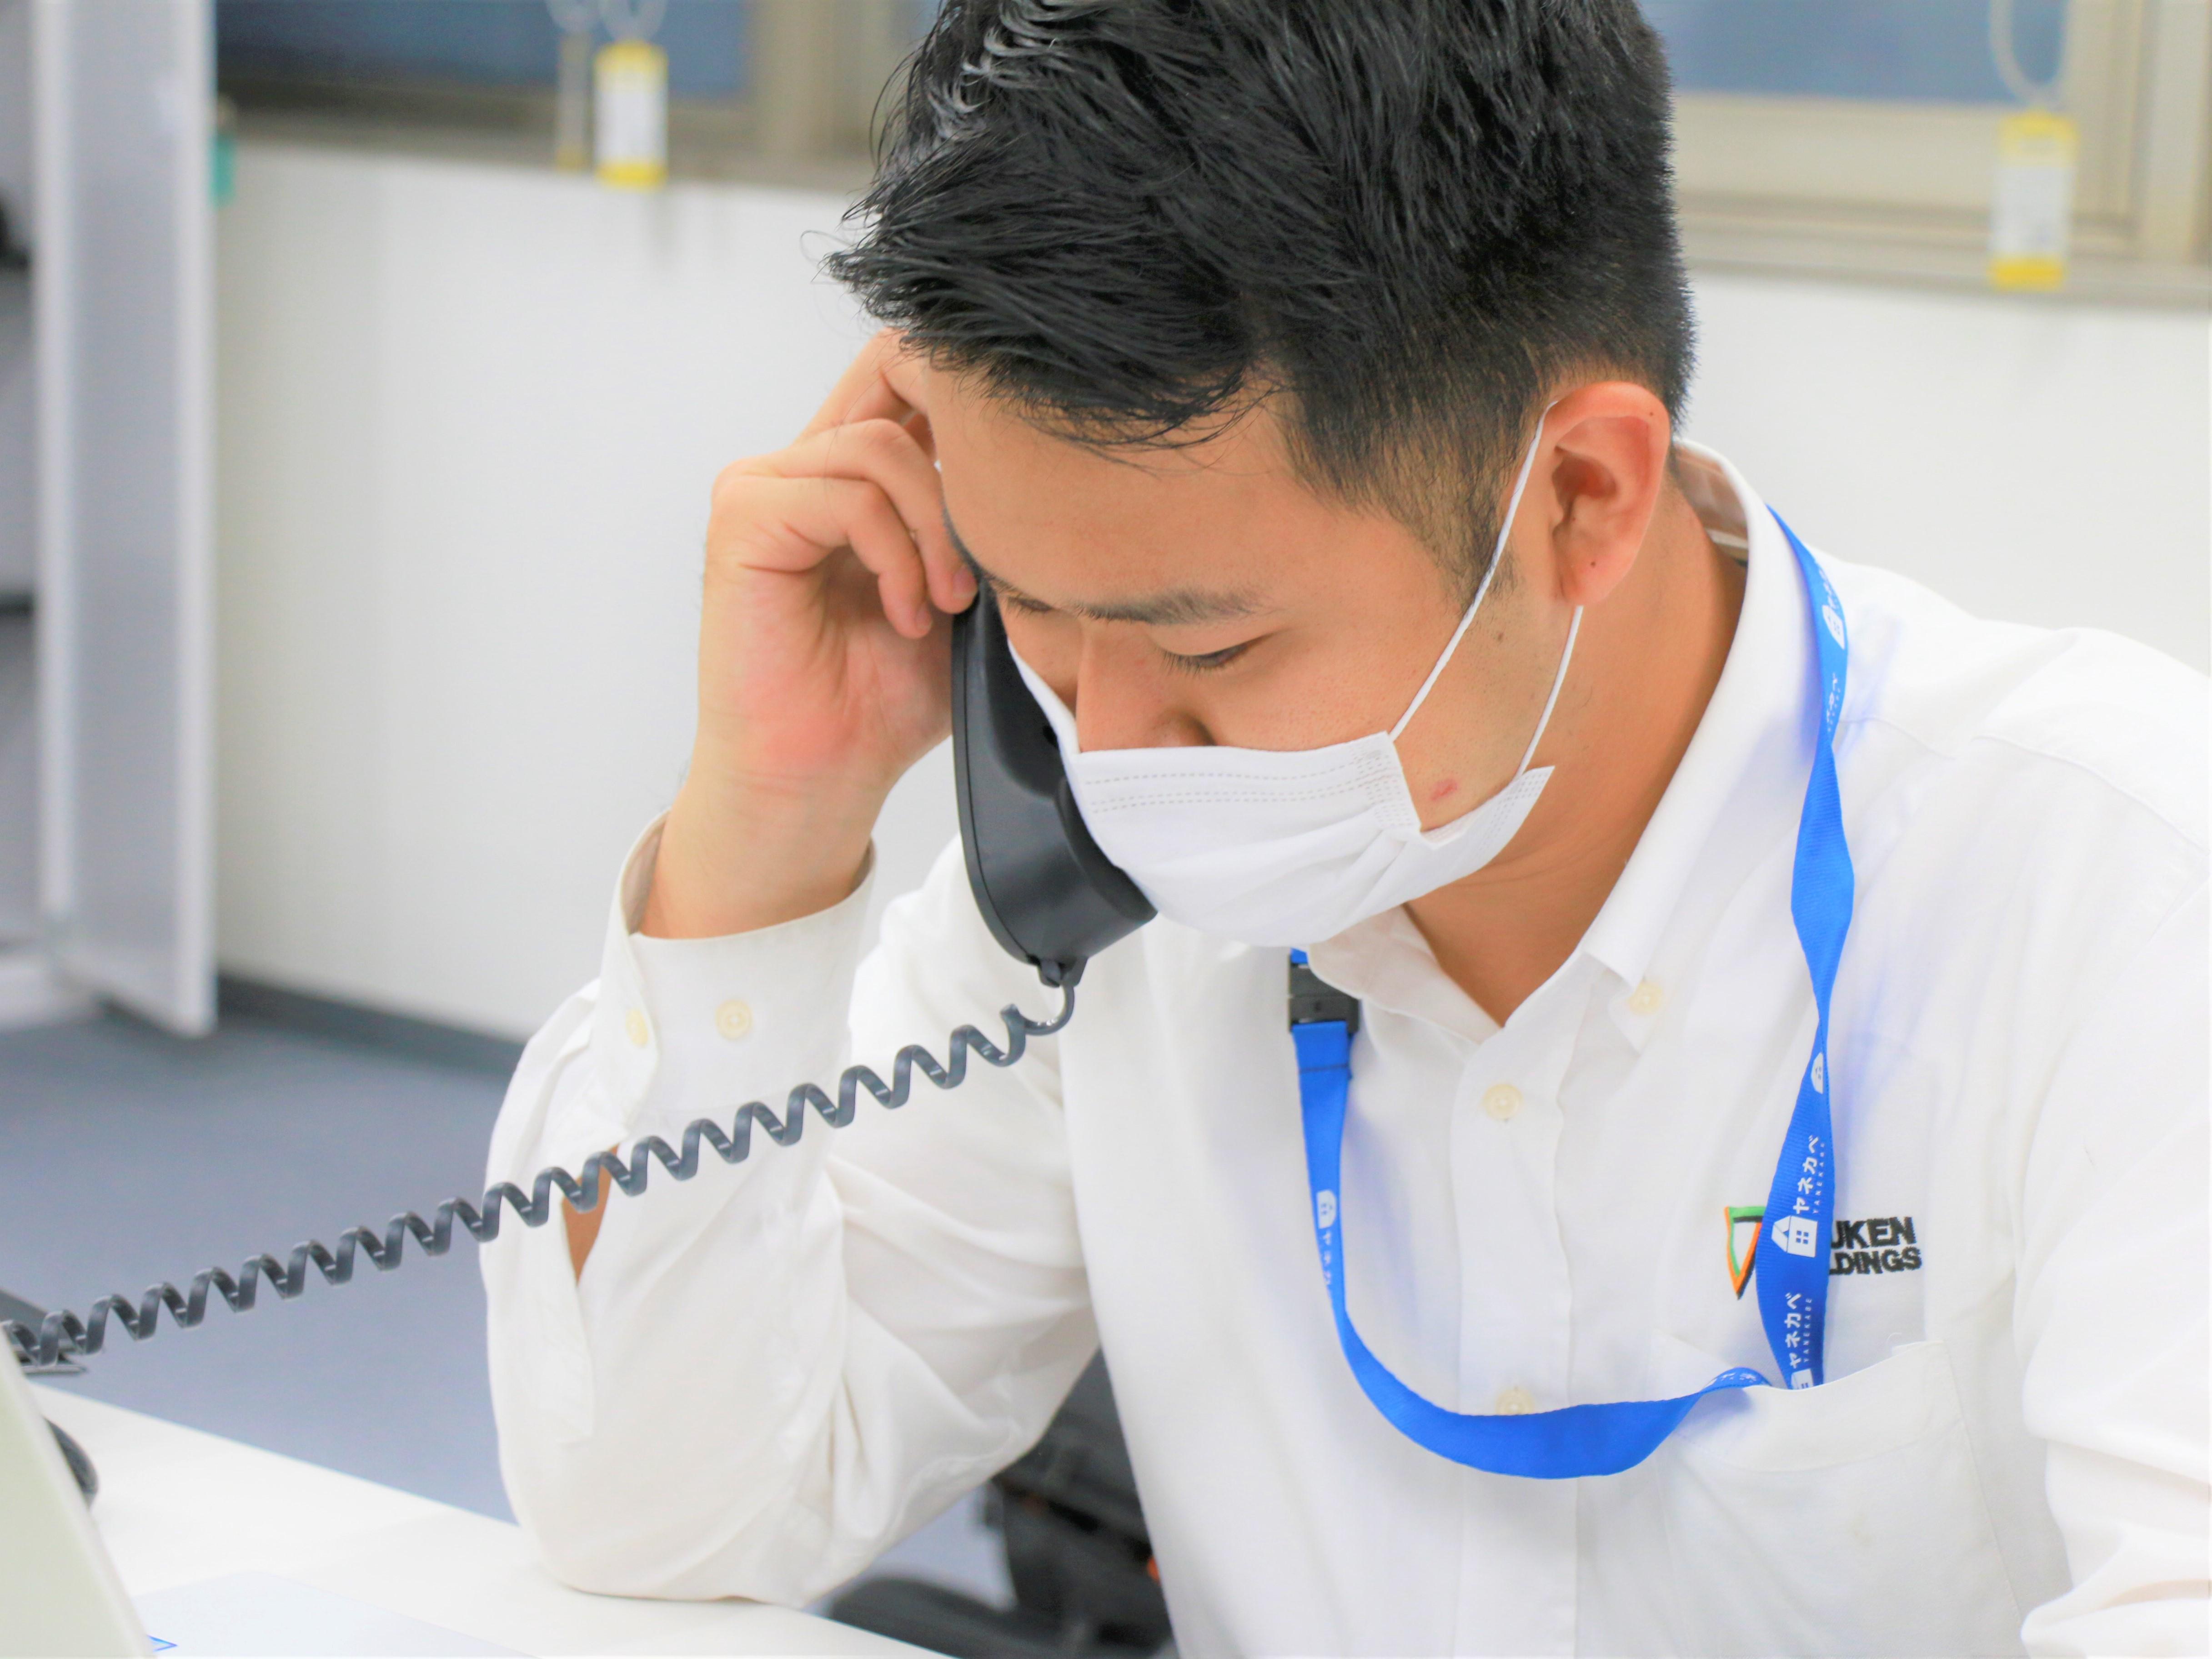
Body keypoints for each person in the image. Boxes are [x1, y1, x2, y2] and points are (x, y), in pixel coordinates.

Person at [479, 2, 2209, 1653]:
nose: (1111, 750)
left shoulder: (2115, 894)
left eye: (1210, 648)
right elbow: (667, 1519)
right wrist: (769, 823)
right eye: (1028, 610)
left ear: (1580, 496)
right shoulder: (1093, 906)